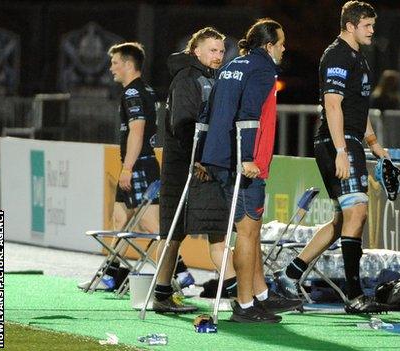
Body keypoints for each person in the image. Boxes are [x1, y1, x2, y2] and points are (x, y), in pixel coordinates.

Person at [274, 1, 389, 314]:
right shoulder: (337, 54)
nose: (372, 31)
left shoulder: (357, 58)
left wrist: (374, 143)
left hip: (348, 141)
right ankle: (354, 295)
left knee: (343, 219)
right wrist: (341, 150)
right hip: (336, 143)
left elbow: (357, 106)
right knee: (358, 213)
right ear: (350, 26)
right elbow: (333, 105)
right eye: (367, 25)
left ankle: (289, 274)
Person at [201, 18, 302, 323]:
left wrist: (205, 154)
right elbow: (248, 115)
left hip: (219, 157)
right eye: (281, 43)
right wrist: (247, 158)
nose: (284, 49)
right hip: (243, 163)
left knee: (251, 231)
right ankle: (244, 304)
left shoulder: (234, 64)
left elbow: (210, 109)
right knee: (247, 232)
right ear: (269, 45)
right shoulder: (263, 68)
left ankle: (260, 295)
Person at [77, 42, 193, 292]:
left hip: (139, 165)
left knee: (152, 227)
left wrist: (127, 167)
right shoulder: (147, 90)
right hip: (139, 163)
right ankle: (112, 275)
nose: (111, 69)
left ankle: (181, 273)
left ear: (129, 64)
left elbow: (137, 130)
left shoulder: (132, 93)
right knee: (119, 220)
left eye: (115, 63)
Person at [152, 28, 238, 313]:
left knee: (199, 233)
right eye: (212, 50)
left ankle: (163, 294)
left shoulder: (211, 78)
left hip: (202, 164)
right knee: (175, 233)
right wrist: (200, 160)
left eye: (221, 50)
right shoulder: (188, 78)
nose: (218, 56)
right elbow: (184, 125)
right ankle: (243, 298)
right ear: (196, 52)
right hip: (187, 166)